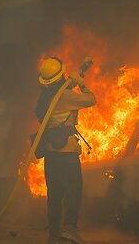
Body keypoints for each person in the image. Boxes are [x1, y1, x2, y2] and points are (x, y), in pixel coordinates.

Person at [35, 56, 96, 244]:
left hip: (51, 153)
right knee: (73, 191)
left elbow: (60, 95)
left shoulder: (45, 97)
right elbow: (91, 100)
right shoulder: (65, 96)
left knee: (54, 194)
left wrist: (74, 79)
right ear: (60, 75)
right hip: (67, 153)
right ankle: (69, 229)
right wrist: (81, 83)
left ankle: (53, 234)